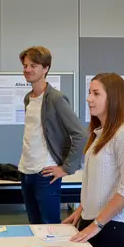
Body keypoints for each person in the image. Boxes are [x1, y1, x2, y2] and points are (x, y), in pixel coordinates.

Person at [63, 73, 124, 247]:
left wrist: (97, 224)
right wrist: (82, 209)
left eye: (96, 93)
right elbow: (97, 180)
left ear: (113, 98)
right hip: (96, 219)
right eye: (89, 92)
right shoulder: (99, 133)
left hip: (114, 224)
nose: (89, 98)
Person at [18, 46, 86, 225]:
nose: (27, 70)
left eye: (33, 65)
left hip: (45, 173)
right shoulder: (28, 98)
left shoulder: (56, 98)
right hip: (26, 170)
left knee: (50, 227)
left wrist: (66, 168)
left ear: (46, 68)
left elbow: (81, 134)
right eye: (25, 65)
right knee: (34, 224)